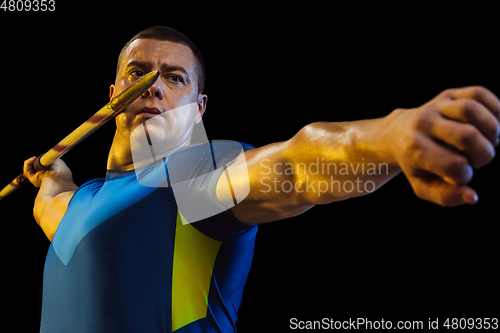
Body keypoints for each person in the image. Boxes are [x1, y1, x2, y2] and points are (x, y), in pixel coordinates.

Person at [23, 26, 500, 332]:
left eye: (175, 79)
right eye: (139, 73)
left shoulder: (194, 177)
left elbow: (294, 167)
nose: (154, 87)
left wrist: (387, 139)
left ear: (198, 108)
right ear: (114, 94)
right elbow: (52, 198)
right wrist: (53, 173)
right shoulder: (76, 204)